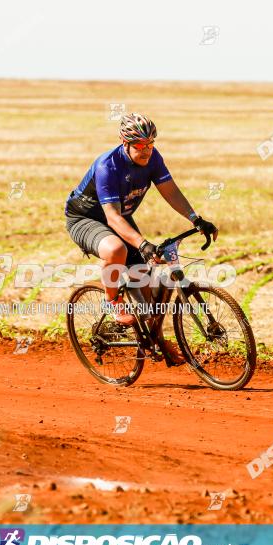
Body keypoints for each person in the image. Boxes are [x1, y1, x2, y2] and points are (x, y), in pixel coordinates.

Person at [65, 113, 218, 364]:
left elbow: (170, 191)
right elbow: (112, 219)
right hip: (86, 219)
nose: (146, 150)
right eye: (139, 145)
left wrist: (195, 218)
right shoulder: (107, 166)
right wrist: (142, 243)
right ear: (124, 142)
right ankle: (113, 302)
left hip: (120, 217)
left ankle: (154, 342)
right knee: (115, 250)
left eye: (150, 144)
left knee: (147, 291)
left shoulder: (153, 158)